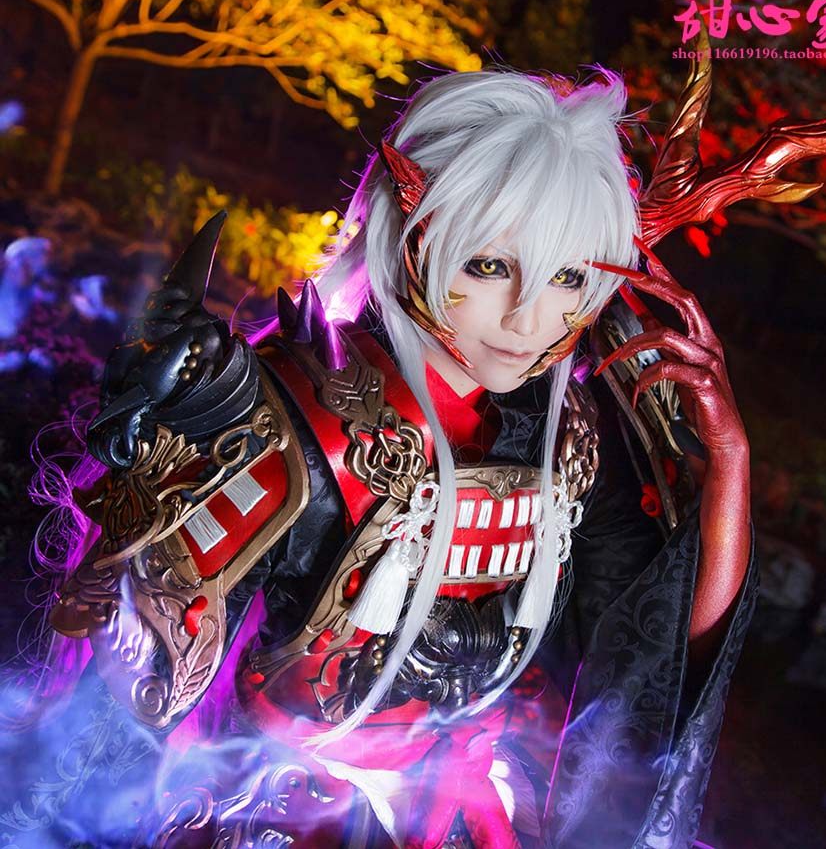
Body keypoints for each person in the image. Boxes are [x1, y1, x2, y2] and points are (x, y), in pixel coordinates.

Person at [11, 68, 755, 848]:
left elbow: (648, 662)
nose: (530, 318)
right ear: (409, 229)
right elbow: (120, 711)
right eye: (489, 266)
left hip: (468, 805)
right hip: (273, 803)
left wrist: (728, 469)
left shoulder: (568, 436)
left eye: (568, 277)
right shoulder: (285, 418)